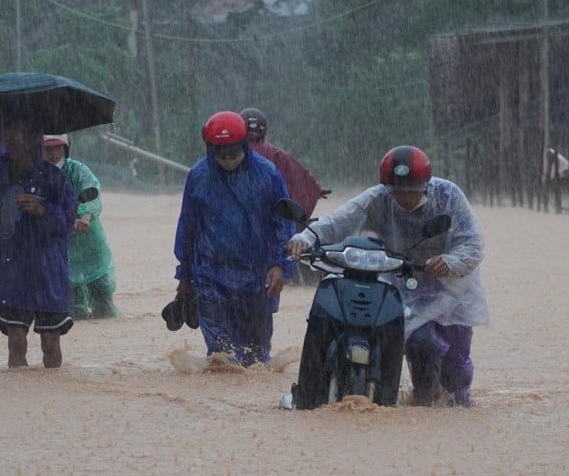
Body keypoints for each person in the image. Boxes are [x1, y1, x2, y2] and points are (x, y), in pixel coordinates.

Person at [286, 145, 489, 407]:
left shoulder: (448, 196)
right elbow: (340, 220)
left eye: (412, 191)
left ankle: (457, 403)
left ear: (425, 185)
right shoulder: (379, 199)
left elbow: (473, 242)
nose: (404, 198)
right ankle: (424, 403)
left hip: (451, 287)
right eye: (397, 192)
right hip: (406, 281)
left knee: (455, 362)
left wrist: (448, 262)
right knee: (419, 344)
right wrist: (306, 237)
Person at [173, 111, 293, 367]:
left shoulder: (267, 175)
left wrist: (279, 265)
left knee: (256, 359)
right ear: (210, 149)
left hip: (257, 278)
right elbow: (188, 228)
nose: (228, 159)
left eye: (233, 152)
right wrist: (184, 276)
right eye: (221, 153)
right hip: (211, 278)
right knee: (222, 359)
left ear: (245, 145)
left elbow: (282, 224)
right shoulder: (199, 177)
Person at [0, 121, 76, 368]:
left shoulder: (55, 178)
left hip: (46, 268)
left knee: (51, 342)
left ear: (33, 141)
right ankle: (18, 393)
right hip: (10, 267)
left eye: (20, 139)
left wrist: (43, 210)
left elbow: (68, 220)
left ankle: (50, 399)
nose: (14, 145)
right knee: (15, 341)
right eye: (9, 139)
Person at [43, 135, 120, 319]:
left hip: (89, 241)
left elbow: (92, 194)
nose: (54, 154)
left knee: (102, 298)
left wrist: (85, 218)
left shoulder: (78, 170)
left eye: (58, 148)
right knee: (73, 308)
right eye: (49, 149)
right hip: (61, 245)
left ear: (65, 149)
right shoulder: (37, 175)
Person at [239, 108, 323, 217]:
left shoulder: (229, 153)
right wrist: (315, 189)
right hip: (270, 219)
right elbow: (298, 177)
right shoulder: (276, 154)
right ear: (264, 129)